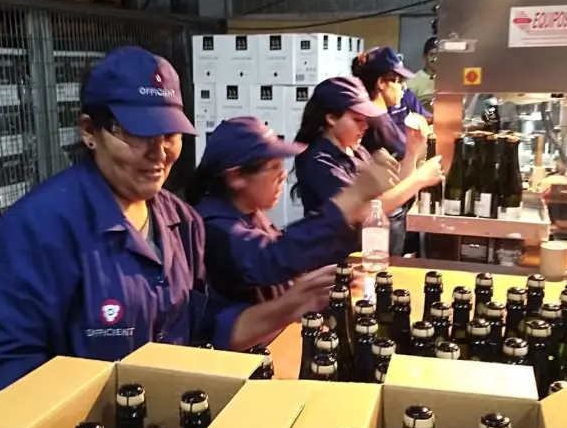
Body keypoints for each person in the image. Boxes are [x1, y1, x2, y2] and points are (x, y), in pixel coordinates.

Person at [0, 47, 336, 403]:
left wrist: (290, 305)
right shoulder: (33, 233)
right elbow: (7, 382)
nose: (159, 155)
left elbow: (204, 329)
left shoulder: (183, 223)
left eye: (169, 136)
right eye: (139, 135)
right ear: (89, 131)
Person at [184, 116, 401, 305]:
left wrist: (312, 281)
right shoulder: (214, 227)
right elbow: (274, 258)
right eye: (274, 167)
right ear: (236, 177)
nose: (283, 176)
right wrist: (353, 195)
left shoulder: (251, 213)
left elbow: (282, 264)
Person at [291, 76, 443, 250]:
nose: (365, 126)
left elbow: (393, 191)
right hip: (336, 257)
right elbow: (364, 210)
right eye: (357, 120)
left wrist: (411, 152)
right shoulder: (319, 161)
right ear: (331, 118)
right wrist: (420, 179)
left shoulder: (357, 150)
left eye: (366, 119)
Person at [351, 47, 433, 255]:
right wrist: (418, 161)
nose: (403, 88)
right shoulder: (377, 119)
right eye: (398, 81)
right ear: (381, 83)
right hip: (380, 215)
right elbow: (402, 166)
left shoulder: (378, 116)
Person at [405, 37, 437, 113]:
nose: (436, 59)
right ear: (424, 56)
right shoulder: (412, 82)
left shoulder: (450, 81)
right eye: (432, 54)